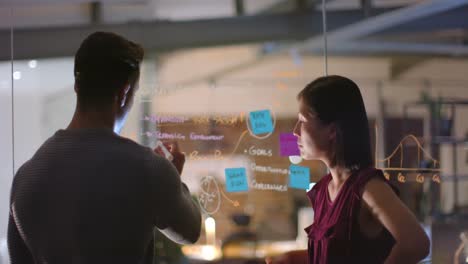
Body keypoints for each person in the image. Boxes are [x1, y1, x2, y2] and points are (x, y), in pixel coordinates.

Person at [7, 32, 201, 264]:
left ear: (77, 85)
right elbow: (190, 232)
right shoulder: (149, 169)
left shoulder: (26, 177)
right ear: (124, 93)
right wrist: (173, 180)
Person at [270, 75, 430, 264]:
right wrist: (291, 259)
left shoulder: (368, 187)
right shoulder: (323, 190)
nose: (296, 131)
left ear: (331, 130)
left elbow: (416, 244)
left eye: (302, 121)